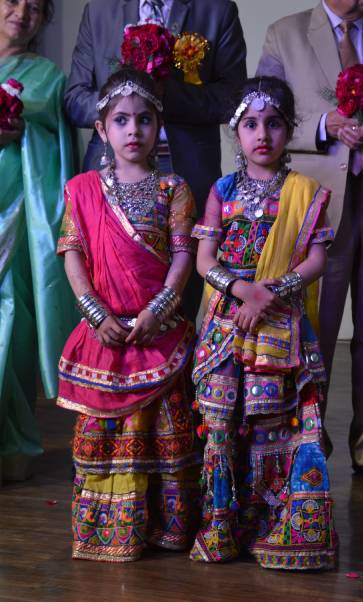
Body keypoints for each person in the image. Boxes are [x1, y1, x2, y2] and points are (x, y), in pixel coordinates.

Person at [189, 76, 337, 570]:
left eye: (273, 123)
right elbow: (204, 259)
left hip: (281, 319)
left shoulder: (304, 192)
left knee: (278, 423)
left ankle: (279, 524)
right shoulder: (222, 190)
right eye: (250, 124)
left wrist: (270, 292)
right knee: (222, 422)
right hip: (228, 322)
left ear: (289, 129)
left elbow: (316, 260)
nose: (262, 134)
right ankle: (223, 524)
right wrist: (242, 291)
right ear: (235, 132)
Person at [57, 67, 200, 562]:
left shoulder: (173, 188)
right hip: (105, 332)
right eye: (121, 120)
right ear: (102, 129)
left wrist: (159, 309)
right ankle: (105, 531)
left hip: (157, 331)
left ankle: (164, 527)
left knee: (161, 429)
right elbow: (73, 254)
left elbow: (183, 256)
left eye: (144, 119)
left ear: (159, 125)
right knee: (102, 434)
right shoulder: (82, 189)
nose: (133, 130)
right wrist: (94, 313)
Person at [256, 1, 363, 484]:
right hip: (315, 206)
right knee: (312, 329)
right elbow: (260, 117)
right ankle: (307, 440)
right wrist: (324, 125)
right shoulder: (284, 33)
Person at [64, 0, 247, 319]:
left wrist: (165, 94)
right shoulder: (99, 10)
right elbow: (74, 99)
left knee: (183, 291)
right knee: (104, 286)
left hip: (187, 173)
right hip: (110, 174)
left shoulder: (217, 10)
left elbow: (233, 100)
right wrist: (127, 101)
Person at [0, 0, 76, 482]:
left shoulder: (49, 78)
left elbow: (62, 149)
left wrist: (23, 132)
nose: (22, 13)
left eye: (36, 7)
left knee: (13, 327)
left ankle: (11, 446)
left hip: (18, 216)